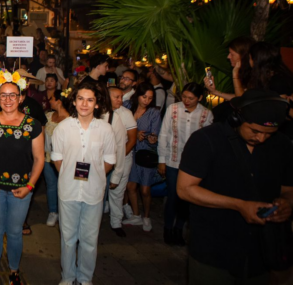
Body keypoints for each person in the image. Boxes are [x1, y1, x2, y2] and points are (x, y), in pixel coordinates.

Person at [177, 89, 293, 284]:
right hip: (214, 250)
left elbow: (288, 189)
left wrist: (286, 204)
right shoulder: (206, 140)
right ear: (236, 119)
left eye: (269, 134)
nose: (261, 138)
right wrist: (239, 205)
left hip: (262, 252)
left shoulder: (283, 145)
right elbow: (185, 189)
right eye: (255, 131)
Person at [0, 73, 44, 285]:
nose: (7, 100)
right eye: (3, 95)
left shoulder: (33, 125)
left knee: (15, 232)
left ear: (21, 98)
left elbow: (39, 159)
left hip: (21, 190)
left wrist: (30, 186)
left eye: (12, 95)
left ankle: (14, 271)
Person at [52, 82, 116, 285]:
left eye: (90, 100)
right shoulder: (63, 127)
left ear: (97, 104)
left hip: (94, 193)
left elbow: (109, 161)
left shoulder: (105, 129)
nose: (84, 104)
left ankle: (85, 278)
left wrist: (94, 177)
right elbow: (57, 158)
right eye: (80, 99)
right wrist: (71, 176)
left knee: (89, 240)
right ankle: (68, 277)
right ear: (74, 100)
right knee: (68, 239)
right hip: (68, 191)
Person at [157, 82, 213, 245]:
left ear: (200, 98)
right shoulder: (173, 109)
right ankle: (168, 228)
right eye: (184, 97)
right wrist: (162, 160)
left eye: (191, 98)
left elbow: (207, 141)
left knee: (187, 198)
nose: (186, 100)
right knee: (173, 196)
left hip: (194, 164)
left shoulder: (206, 114)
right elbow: (164, 135)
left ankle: (179, 229)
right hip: (173, 160)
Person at [122, 82, 162, 232]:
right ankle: (136, 215)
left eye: (150, 98)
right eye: (144, 96)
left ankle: (146, 216)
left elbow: (154, 134)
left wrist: (151, 139)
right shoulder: (127, 106)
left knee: (145, 189)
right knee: (130, 186)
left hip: (144, 153)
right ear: (137, 95)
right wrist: (133, 133)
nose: (146, 100)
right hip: (129, 151)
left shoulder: (154, 113)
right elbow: (119, 126)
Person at [107, 87, 138, 237]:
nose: (120, 100)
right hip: (104, 160)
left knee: (117, 191)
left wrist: (117, 160)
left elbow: (132, 140)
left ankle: (116, 222)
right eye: (116, 97)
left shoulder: (126, 114)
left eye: (121, 97)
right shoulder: (100, 113)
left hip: (123, 157)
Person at [43, 90, 70, 227]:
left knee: (65, 187)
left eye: (52, 98)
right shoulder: (48, 116)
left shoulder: (70, 120)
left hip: (65, 160)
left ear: (59, 101)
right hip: (48, 157)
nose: (50, 101)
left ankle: (65, 213)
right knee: (51, 186)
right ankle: (53, 211)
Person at [203, 36, 254, 101]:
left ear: (243, 56)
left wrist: (235, 74)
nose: (228, 57)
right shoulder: (243, 72)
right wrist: (214, 91)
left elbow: (240, 100)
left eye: (232, 54)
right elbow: (240, 95)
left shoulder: (255, 74)